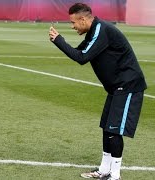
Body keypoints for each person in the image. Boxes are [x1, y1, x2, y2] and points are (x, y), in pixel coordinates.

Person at [49, 3, 147, 180]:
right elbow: (79, 52)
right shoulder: (94, 30)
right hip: (116, 87)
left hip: (128, 86)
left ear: (83, 19)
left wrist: (59, 40)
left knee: (115, 130)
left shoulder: (101, 29)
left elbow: (82, 58)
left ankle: (115, 176)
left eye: (73, 22)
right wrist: (60, 42)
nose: (73, 26)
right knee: (107, 128)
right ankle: (104, 170)